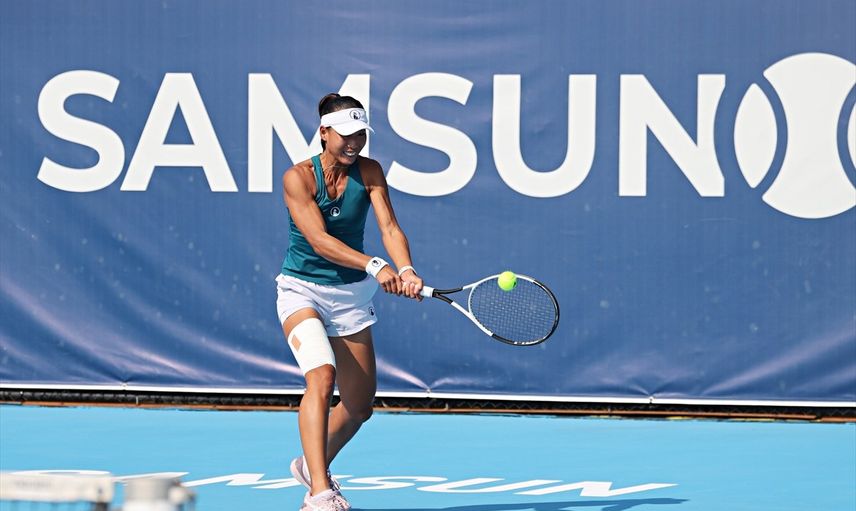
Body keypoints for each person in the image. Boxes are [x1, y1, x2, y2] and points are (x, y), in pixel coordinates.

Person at [275, 93, 423, 511]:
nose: (354, 143)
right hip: (302, 291)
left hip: (351, 298)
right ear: (324, 133)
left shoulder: (370, 171)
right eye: (345, 135)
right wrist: (376, 265)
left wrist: (406, 268)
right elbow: (320, 241)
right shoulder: (298, 177)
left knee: (359, 406)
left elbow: (389, 227)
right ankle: (320, 492)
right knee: (321, 377)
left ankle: (311, 464)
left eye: (360, 134)